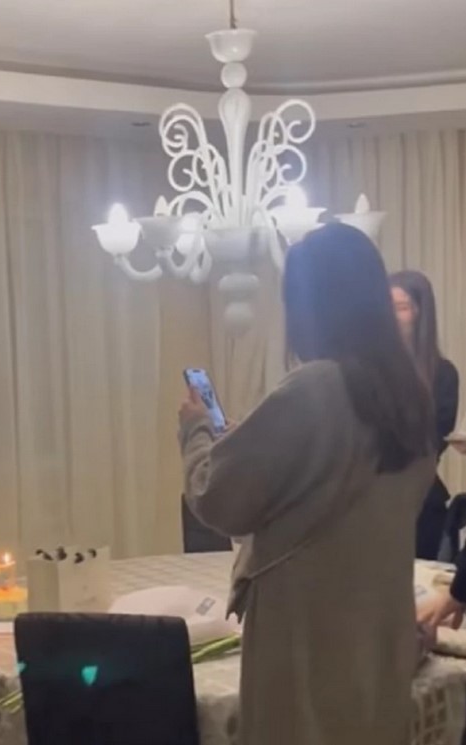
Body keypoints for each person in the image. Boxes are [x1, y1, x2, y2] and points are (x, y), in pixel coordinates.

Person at [179, 223, 435, 745]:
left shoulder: (313, 387)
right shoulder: (412, 398)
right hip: (376, 635)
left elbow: (215, 497)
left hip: (307, 637)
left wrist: (196, 432)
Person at [390, 270, 459, 559]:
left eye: (401, 307)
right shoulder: (368, 371)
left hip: (419, 500)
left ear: (421, 314)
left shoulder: (443, 374)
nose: (391, 316)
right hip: (368, 501)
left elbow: (430, 443)